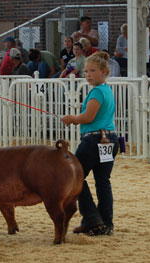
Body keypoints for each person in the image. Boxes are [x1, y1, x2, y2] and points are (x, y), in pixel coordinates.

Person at [61, 51, 119, 236]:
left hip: (93, 140)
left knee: (75, 177)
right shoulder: (107, 90)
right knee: (103, 181)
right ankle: (106, 223)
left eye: (92, 71)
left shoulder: (96, 92)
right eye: (86, 71)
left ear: (104, 71)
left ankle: (92, 220)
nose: (87, 74)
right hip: (109, 138)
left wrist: (72, 118)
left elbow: (88, 117)